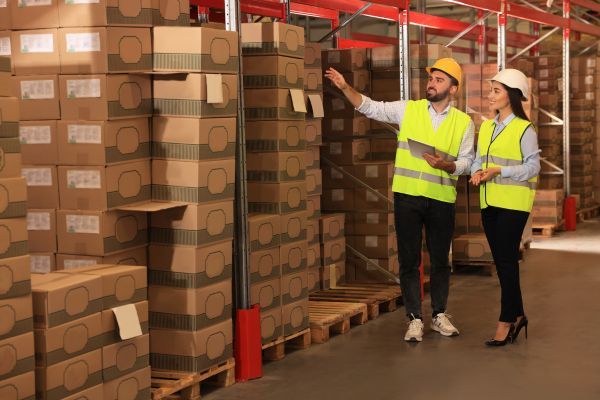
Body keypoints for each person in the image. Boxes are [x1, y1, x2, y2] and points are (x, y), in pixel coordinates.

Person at [325, 58, 474, 343]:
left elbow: (468, 161)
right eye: (431, 79)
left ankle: (439, 314)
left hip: (441, 199)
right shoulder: (410, 109)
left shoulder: (463, 123)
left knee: (441, 260)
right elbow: (370, 106)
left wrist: (448, 166)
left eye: (440, 80)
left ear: (453, 89)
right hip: (407, 197)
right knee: (409, 260)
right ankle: (414, 318)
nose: (431, 83)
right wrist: (345, 87)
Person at [469, 69, 540, 346]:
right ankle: (519, 315)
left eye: (496, 90)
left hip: (513, 204)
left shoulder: (525, 129)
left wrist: (500, 171)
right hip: (488, 202)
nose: (490, 95)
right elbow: (478, 158)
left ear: (511, 95)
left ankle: (505, 321)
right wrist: (476, 172)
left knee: (507, 263)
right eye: (491, 90)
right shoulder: (486, 126)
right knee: (502, 264)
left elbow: (533, 168)